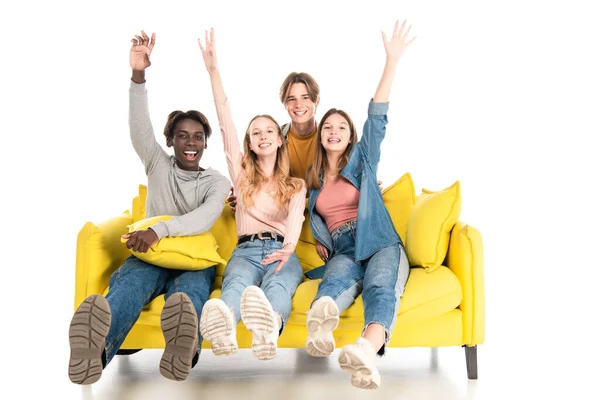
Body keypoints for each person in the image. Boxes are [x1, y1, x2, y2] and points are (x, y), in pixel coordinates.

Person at [68, 30, 231, 384]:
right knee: (127, 287)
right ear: (170, 140)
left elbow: (203, 218)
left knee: (187, 298)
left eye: (198, 137)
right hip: (149, 256)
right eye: (183, 136)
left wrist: (157, 229)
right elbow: (139, 128)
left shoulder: (217, 182)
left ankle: (183, 349)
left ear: (206, 142)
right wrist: (138, 75)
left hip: (193, 261)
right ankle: (94, 354)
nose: (191, 143)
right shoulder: (158, 163)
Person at [303, 20, 415, 390]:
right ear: (320, 137)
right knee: (333, 281)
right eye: (327, 128)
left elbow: (377, 116)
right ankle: (319, 331)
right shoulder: (313, 186)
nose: (333, 131)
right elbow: (277, 193)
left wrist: (392, 62)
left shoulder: (363, 161)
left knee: (382, 287)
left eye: (341, 127)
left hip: (379, 240)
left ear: (350, 136)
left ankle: (365, 351)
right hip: (344, 246)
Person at [197, 29, 307, 361]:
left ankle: (268, 331)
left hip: (281, 250)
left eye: (269, 131)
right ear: (249, 141)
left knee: (278, 287)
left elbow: (296, 219)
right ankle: (224, 329)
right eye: (255, 132)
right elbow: (224, 119)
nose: (262, 136)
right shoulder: (241, 174)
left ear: (279, 140)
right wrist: (213, 71)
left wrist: (288, 249)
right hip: (245, 251)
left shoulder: (296, 185)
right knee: (235, 286)